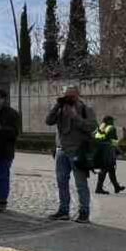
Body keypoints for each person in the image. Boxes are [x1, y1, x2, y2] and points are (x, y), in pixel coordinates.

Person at [45, 84, 97, 223]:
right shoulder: (61, 109)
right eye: (66, 95)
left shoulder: (86, 109)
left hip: (78, 151)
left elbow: (92, 127)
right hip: (61, 150)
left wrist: (75, 117)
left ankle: (84, 213)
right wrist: (57, 106)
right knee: (61, 182)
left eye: (72, 95)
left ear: (78, 95)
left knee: (80, 183)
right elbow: (48, 121)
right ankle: (63, 211)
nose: (69, 98)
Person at [93, 115, 125, 194]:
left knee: (111, 169)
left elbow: (95, 138)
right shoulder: (111, 128)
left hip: (101, 151)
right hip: (108, 151)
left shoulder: (100, 128)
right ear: (109, 121)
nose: (113, 122)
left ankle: (116, 187)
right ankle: (99, 188)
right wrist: (119, 150)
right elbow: (114, 141)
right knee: (105, 169)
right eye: (112, 121)